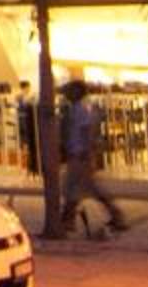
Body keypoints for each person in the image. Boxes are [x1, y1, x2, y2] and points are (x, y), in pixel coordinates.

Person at [52, 76, 127, 238]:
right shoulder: (74, 110)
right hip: (78, 154)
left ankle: (67, 221)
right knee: (83, 188)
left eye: (70, 90)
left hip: (80, 155)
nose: (66, 94)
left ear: (77, 92)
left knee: (72, 188)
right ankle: (114, 216)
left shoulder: (80, 110)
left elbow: (87, 131)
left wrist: (87, 151)